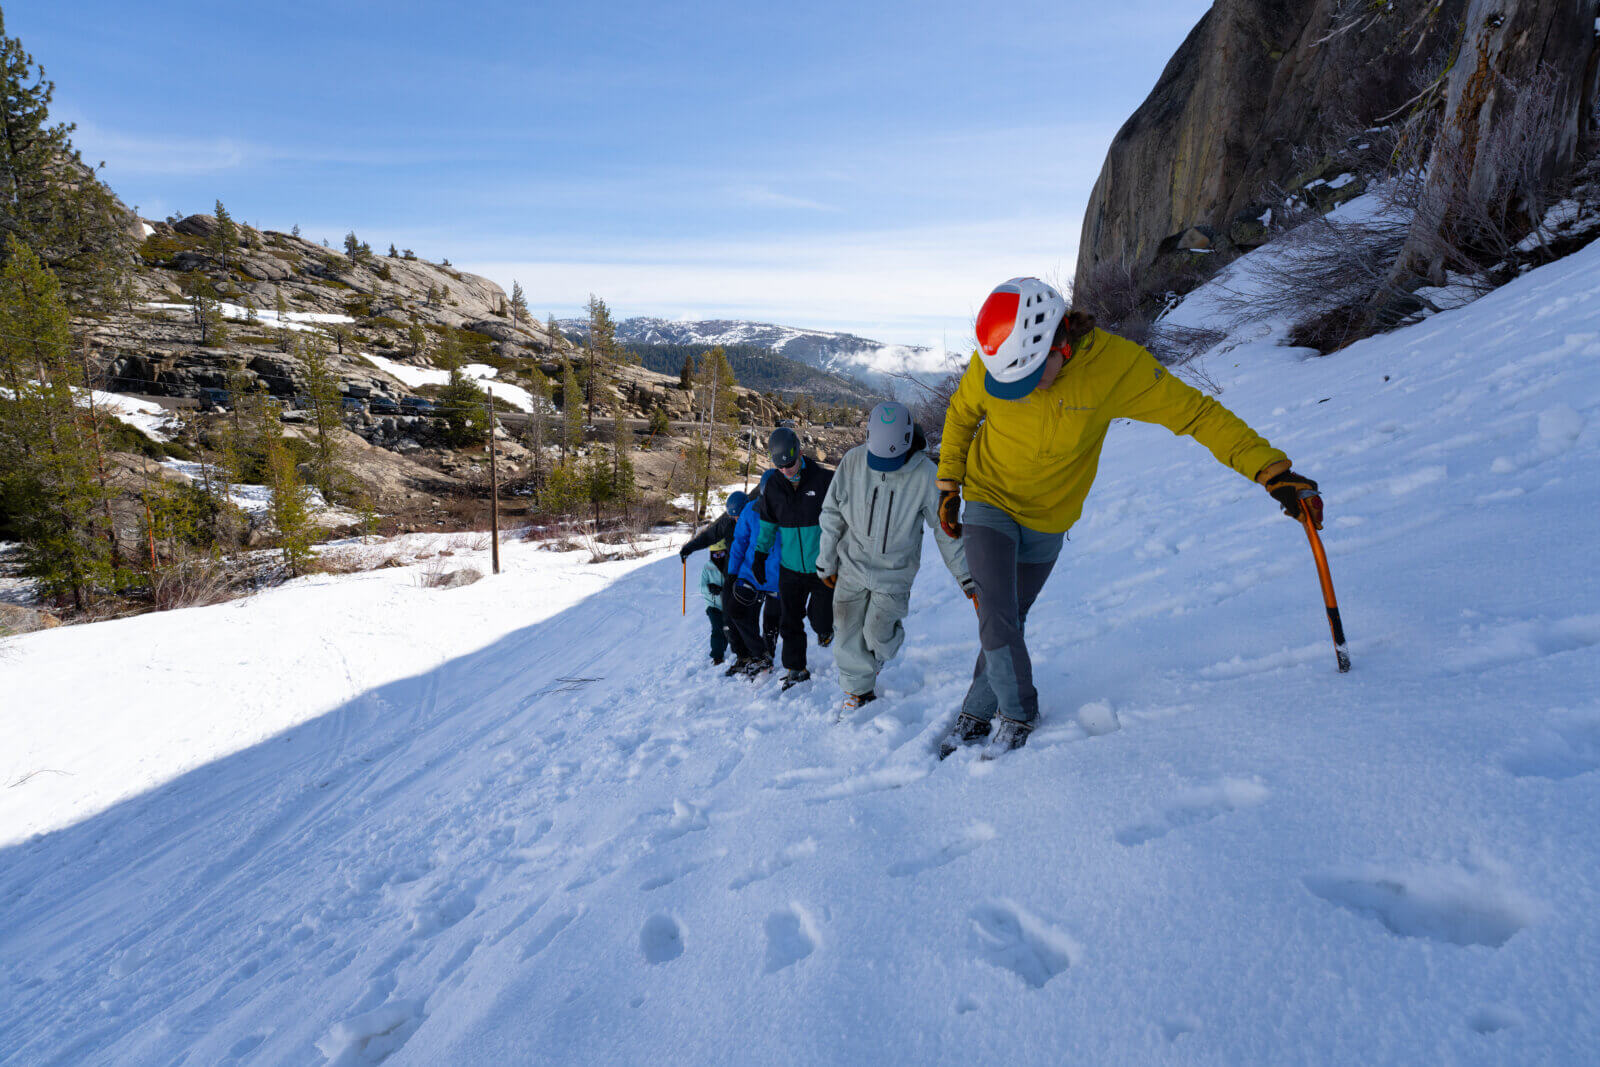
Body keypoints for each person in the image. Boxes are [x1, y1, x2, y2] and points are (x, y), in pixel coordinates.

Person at [936, 277, 1323, 758]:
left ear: (1061, 343)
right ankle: (1016, 715)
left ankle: (979, 702)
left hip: (1049, 519)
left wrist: (1270, 470)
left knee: (1009, 617)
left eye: (1032, 374)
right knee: (995, 610)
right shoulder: (1000, 358)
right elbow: (961, 412)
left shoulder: (1117, 368)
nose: (1020, 389)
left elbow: (1195, 414)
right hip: (989, 500)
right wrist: (950, 484)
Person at [817, 402, 973, 716]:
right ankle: (859, 692)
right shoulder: (853, 462)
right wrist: (826, 560)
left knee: (877, 633)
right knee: (846, 630)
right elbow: (832, 513)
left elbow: (946, 531)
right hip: (852, 564)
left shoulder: (928, 475)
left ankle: (879, 655)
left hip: (895, 573)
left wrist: (967, 576)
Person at [752, 426, 835, 690]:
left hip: (821, 565)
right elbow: (767, 526)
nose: (786, 470)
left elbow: (842, 518)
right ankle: (796, 669)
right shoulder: (773, 487)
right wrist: (760, 556)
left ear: (800, 451)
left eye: (790, 464)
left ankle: (825, 629)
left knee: (820, 617)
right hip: (790, 568)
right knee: (789, 620)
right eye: (781, 467)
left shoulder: (823, 480)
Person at [723, 474, 783, 677]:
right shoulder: (750, 511)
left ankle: (765, 657)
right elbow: (739, 543)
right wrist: (732, 573)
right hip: (751, 575)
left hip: (777, 577)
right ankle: (759, 654)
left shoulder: (790, 509)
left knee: (771, 622)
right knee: (737, 611)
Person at [697, 543, 732, 666]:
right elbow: (702, 587)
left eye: (721, 553)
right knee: (717, 629)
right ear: (711, 554)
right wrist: (710, 588)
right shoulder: (707, 567)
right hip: (713, 605)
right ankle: (717, 656)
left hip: (728, 604)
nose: (718, 556)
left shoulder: (730, 565)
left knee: (726, 629)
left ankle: (733, 648)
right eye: (716, 554)